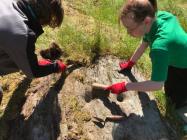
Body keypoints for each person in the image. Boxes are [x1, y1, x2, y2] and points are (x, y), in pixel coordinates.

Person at [106, 0, 187, 110]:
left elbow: (157, 84)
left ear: (146, 21)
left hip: (183, 65)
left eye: (130, 28)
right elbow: (144, 43)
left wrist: (125, 86)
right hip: (175, 53)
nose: (128, 33)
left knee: (175, 102)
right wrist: (131, 63)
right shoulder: (157, 17)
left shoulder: (160, 48)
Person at [0, 0, 67, 104]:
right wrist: (56, 66)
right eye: (47, 23)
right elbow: (33, 71)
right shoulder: (21, 34)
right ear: (43, 19)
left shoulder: (9, 2)